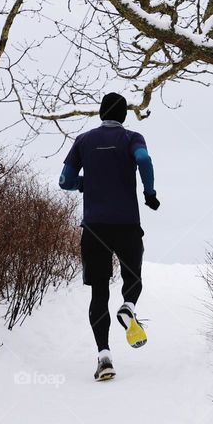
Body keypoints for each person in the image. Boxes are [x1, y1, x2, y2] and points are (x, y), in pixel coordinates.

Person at [59, 93, 160, 382]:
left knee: (99, 292)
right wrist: (149, 193)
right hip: (127, 224)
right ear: (124, 116)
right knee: (133, 278)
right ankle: (128, 307)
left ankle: (104, 356)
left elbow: (64, 181)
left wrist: (86, 183)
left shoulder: (83, 140)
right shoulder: (132, 138)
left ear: (101, 113)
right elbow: (144, 159)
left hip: (94, 228)